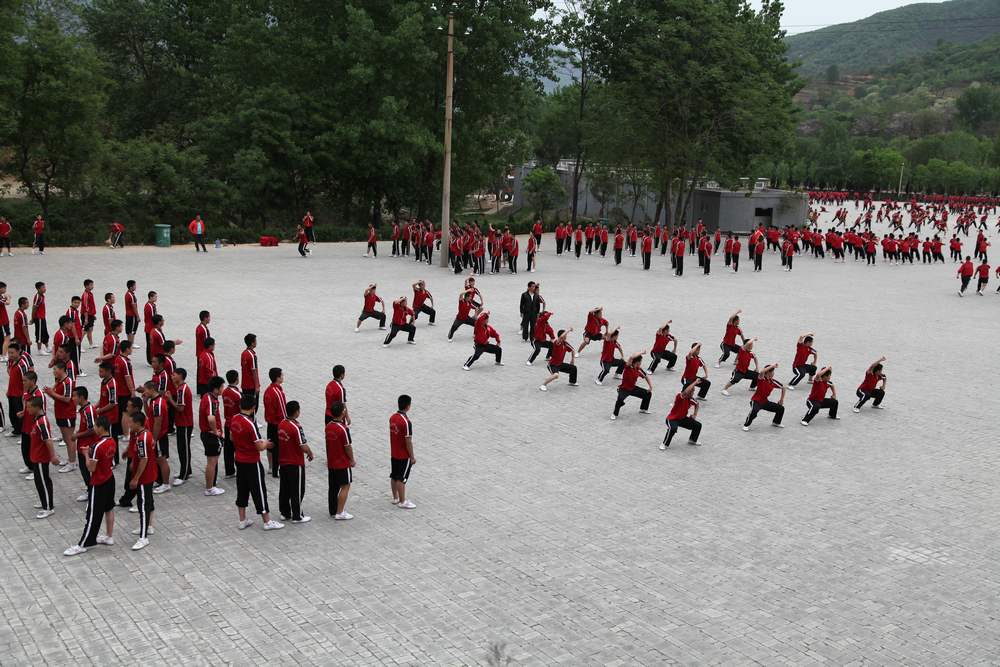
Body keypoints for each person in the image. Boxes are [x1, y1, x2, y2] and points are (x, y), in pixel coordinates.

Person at [63, 417, 117, 556]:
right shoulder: (112, 441)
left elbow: (91, 468)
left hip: (98, 482)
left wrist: (86, 454)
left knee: (92, 514)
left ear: (101, 428)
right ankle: (109, 536)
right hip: (109, 478)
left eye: (95, 426)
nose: (94, 429)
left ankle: (85, 543)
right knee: (109, 508)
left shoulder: (97, 446)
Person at [231, 395, 283, 530]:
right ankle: (267, 521)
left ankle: (242, 519)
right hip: (252, 462)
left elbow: (231, 437)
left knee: (242, 489)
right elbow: (259, 446)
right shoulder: (250, 424)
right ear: (253, 408)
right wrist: (267, 443)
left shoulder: (235, 419)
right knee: (259, 490)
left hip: (239, 460)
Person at [277, 401, 313, 523]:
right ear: (296, 412)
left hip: (283, 461)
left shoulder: (281, 424)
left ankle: (285, 512)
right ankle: (297, 515)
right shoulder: (296, 427)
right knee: (297, 489)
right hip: (295, 462)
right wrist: (310, 453)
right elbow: (302, 445)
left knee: (284, 488)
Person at [127, 411, 157, 550]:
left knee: (143, 505)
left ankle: (143, 537)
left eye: (130, 422)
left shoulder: (141, 439)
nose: (128, 424)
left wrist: (136, 478)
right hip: (150, 474)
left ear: (138, 423)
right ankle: (149, 526)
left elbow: (144, 459)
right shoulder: (146, 434)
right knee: (149, 501)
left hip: (145, 478)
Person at [26, 397, 59, 519]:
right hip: (36, 457)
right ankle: (44, 501)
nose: (27, 409)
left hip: (41, 458)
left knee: (44, 482)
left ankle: (48, 508)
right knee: (38, 481)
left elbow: (48, 440)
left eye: (29, 407)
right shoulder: (37, 419)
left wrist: (53, 456)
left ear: (37, 407)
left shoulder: (41, 422)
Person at [44, 361, 78, 472]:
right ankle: (70, 459)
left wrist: (52, 393)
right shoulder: (58, 381)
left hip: (67, 413)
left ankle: (72, 463)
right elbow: (57, 397)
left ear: (62, 369)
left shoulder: (67, 381)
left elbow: (67, 399)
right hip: (60, 412)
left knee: (69, 439)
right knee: (65, 437)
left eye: (55, 369)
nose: (53, 372)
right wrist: (50, 393)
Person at [325, 401, 355, 519]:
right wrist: (352, 459)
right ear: (343, 412)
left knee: (333, 487)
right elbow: (347, 446)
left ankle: (332, 509)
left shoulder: (328, 427)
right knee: (345, 486)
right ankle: (340, 512)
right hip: (342, 462)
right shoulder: (343, 429)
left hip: (332, 461)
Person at [198, 376, 226, 496]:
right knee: (212, 461)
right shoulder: (211, 401)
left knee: (211, 461)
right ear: (216, 388)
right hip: (210, 435)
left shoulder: (207, 396)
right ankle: (210, 488)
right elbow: (211, 418)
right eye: (221, 387)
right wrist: (215, 431)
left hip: (206, 434)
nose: (223, 389)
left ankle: (211, 482)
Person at [389, 395, 416, 509]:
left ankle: (395, 497)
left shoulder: (392, 418)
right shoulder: (406, 422)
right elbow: (408, 441)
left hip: (394, 452)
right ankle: (402, 501)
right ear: (408, 406)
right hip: (403, 455)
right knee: (401, 478)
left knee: (394, 476)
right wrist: (412, 456)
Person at [742, 364, 785, 431]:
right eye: (773, 372)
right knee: (754, 411)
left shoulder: (772, 382)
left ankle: (776, 422)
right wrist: (773, 366)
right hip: (756, 401)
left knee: (781, 409)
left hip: (765, 402)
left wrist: (781, 399)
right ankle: (746, 425)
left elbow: (783, 387)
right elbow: (762, 371)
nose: (773, 373)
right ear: (768, 372)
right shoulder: (761, 378)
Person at [661, 380, 703, 449]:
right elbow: (685, 392)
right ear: (688, 391)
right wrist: (695, 382)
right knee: (673, 428)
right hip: (672, 419)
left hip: (682, 419)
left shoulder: (690, 399)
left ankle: (692, 440)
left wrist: (694, 415)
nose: (693, 393)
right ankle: (664, 444)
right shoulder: (679, 396)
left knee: (698, 425)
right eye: (692, 391)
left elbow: (697, 404)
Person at [611, 353, 652, 420]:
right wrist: (641, 353)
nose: (641, 362)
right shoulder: (628, 366)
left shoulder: (638, 369)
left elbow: (645, 376)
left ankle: (643, 409)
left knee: (648, 394)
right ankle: (614, 414)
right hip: (624, 389)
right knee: (619, 400)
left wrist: (650, 386)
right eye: (640, 361)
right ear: (637, 362)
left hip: (633, 388)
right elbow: (631, 357)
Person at [262, 367, 287, 478]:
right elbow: (283, 411)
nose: (283, 377)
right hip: (277, 423)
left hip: (270, 422)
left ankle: (271, 467)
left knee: (270, 445)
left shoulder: (268, 390)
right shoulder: (278, 392)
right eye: (281, 375)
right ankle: (277, 471)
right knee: (278, 447)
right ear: (277, 378)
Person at [171, 368, 194, 484]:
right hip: (182, 423)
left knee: (183, 449)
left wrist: (170, 399)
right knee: (183, 448)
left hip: (185, 423)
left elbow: (180, 408)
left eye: (174, 375)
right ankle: (186, 469)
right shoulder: (180, 388)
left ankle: (184, 474)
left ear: (180, 376)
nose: (172, 376)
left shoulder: (181, 390)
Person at [221, 370, 242, 478]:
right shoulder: (238, 394)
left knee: (228, 449)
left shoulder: (224, 392)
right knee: (238, 447)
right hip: (237, 424)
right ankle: (241, 469)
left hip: (227, 422)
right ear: (237, 379)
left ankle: (229, 471)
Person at [240, 334, 260, 417]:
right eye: (255, 341)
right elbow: (254, 371)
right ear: (252, 343)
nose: (256, 343)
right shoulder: (252, 356)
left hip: (245, 384)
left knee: (246, 404)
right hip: (251, 385)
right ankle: (252, 420)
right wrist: (257, 386)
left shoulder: (243, 353)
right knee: (253, 404)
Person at [31, 281, 49, 356]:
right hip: (39, 318)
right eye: (43, 287)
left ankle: (47, 347)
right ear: (38, 289)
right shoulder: (38, 297)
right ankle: (39, 349)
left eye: (45, 287)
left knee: (45, 332)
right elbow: (34, 308)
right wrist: (32, 318)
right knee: (39, 334)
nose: (45, 289)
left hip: (42, 317)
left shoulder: (42, 296)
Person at [124, 280, 140, 350]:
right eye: (134, 285)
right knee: (132, 330)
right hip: (132, 315)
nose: (135, 287)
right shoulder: (131, 296)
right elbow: (134, 307)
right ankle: (131, 343)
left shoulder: (127, 294)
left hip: (128, 314)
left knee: (128, 330)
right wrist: (137, 316)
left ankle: (129, 343)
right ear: (131, 287)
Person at [81, 279, 97, 349]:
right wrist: (86, 318)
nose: (92, 286)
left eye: (92, 285)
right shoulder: (85, 295)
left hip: (90, 315)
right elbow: (86, 307)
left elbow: (91, 306)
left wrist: (93, 315)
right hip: (86, 315)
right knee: (84, 330)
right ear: (86, 286)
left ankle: (91, 344)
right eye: (91, 285)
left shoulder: (90, 293)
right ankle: (78, 344)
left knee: (90, 329)